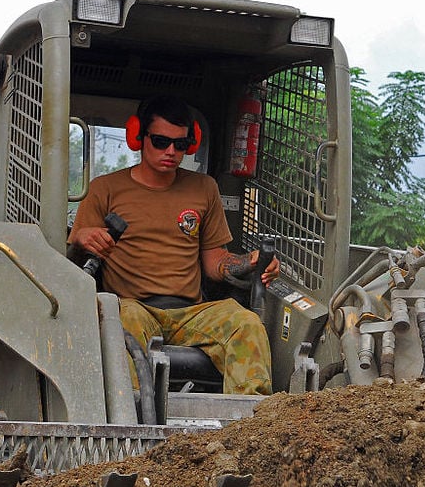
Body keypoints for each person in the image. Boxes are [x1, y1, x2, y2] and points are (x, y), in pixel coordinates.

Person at [67, 95, 279, 395]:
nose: (171, 152)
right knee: (122, 317)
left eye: (180, 145)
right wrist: (83, 237)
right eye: (161, 141)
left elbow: (215, 262)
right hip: (135, 307)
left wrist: (250, 262)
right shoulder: (106, 188)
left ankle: (248, 428)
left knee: (245, 322)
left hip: (190, 312)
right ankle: (129, 417)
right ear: (138, 136)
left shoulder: (204, 188)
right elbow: (75, 245)